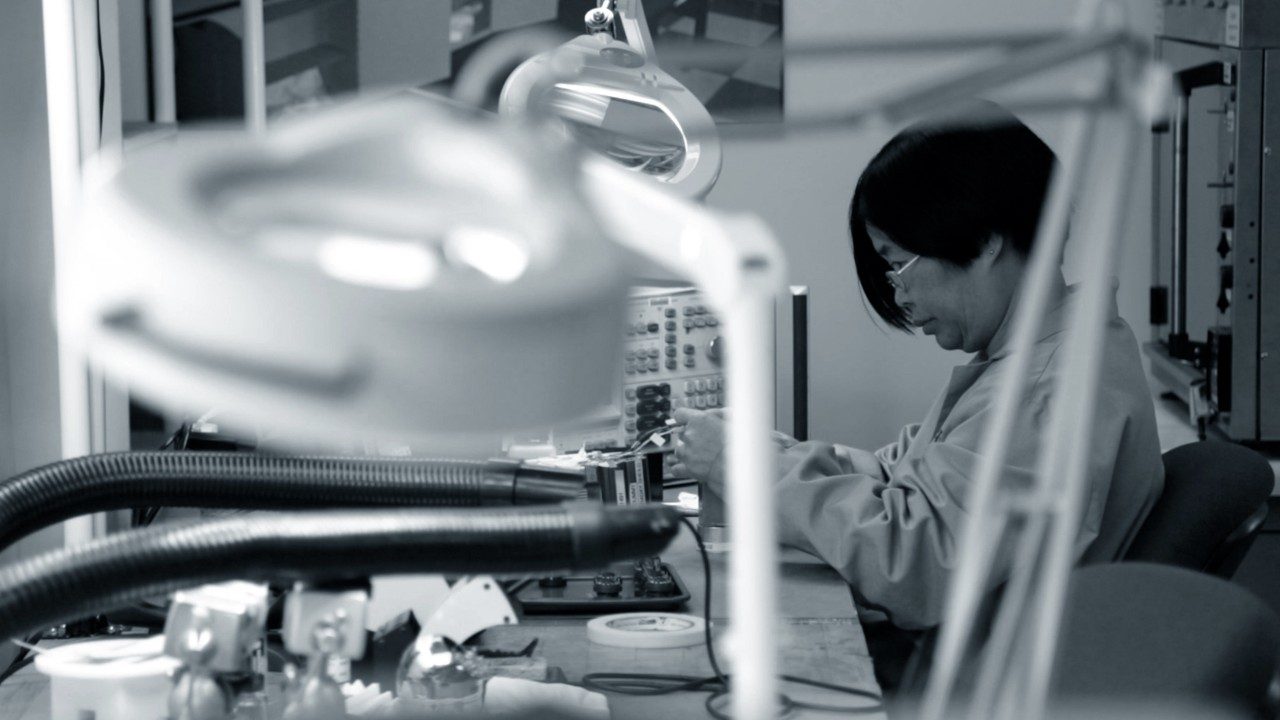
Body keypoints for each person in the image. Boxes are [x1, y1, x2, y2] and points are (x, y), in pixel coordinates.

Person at [671, 103, 1164, 662]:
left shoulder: (1042, 395)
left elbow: (917, 564)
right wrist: (768, 451)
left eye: (896, 263)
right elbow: (901, 478)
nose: (897, 295)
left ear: (983, 240)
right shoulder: (1036, 360)